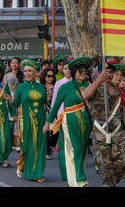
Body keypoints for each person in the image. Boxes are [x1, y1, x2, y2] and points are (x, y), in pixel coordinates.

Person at [83, 63, 125, 187]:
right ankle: (109, 182)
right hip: (100, 134)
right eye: (106, 72)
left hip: (118, 133)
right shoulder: (96, 88)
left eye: (111, 72)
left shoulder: (119, 91)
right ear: (99, 73)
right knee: (106, 168)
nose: (109, 74)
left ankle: (111, 181)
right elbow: (84, 95)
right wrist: (98, 80)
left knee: (123, 163)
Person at [43, 57, 93, 187]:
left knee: (82, 149)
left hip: (85, 121)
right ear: (74, 72)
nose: (83, 73)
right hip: (70, 121)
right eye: (80, 71)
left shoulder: (88, 85)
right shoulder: (65, 87)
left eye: (85, 71)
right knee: (75, 149)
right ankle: (79, 179)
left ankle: (76, 178)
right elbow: (55, 107)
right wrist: (48, 123)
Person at [6, 59, 49, 182]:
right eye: (25, 71)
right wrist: (10, 100)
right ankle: (25, 169)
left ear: (35, 72)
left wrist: (49, 98)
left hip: (40, 120)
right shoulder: (21, 87)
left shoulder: (41, 87)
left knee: (40, 146)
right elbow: (15, 105)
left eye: (30, 71)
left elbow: (46, 104)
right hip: (26, 121)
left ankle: (38, 173)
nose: (27, 73)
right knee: (27, 146)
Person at [49, 60, 72, 179]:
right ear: (62, 70)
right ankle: (65, 172)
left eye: (69, 68)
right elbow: (54, 101)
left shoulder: (77, 83)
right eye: (65, 68)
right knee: (63, 144)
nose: (67, 70)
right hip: (62, 115)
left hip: (74, 116)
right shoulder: (59, 83)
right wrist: (53, 116)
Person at [3, 57, 24, 152]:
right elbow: (4, 88)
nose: (14, 64)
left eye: (16, 63)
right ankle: (10, 143)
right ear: (10, 64)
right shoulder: (7, 76)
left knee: (19, 121)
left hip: (20, 100)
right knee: (11, 121)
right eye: (13, 63)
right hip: (9, 99)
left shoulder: (22, 75)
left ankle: (19, 144)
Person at [40, 68, 56, 160]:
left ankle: (51, 147)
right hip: (44, 111)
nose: (50, 78)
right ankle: (46, 150)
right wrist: (47, 97)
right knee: (45, 131)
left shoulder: (56, 86)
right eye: (48, 76)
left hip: (54, 112)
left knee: (54, 131)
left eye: (52, 76)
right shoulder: (41, 87)